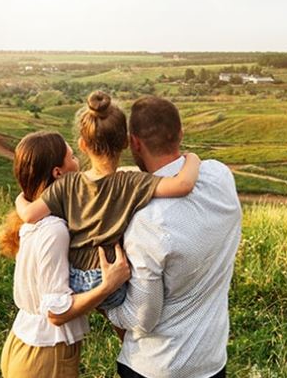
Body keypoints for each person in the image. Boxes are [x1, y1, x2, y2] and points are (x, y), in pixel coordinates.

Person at [106, 96, 242, 378]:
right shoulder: (220, 177)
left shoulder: (146, 219)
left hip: (156, 368)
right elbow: (191, 165)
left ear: (134, 143)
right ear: (180, 133)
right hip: (210, 356)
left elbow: (144, 318)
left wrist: (106, 303)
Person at [0, 131, 132, 378]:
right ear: (58, 172)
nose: (78, 162)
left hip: (20, 346)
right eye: (72, 157)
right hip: (47, 358)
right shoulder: (55, 229)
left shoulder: (33, 216)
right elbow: (57, 311)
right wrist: (108, 285)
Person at [14, 90, 201, 312]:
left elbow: (28, 215)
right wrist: (193, 158)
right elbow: (183, 185)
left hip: (73, 279)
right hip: (110, 281)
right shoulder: (131, 182)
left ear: (83, 144)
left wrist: (20, 198)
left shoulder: (68, 183)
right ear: (125, 142)